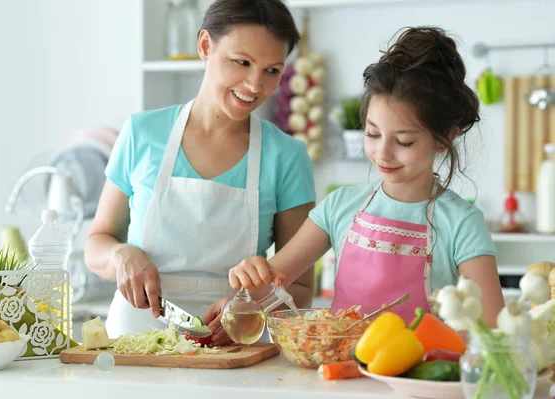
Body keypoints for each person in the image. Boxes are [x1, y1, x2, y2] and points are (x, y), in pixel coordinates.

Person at [228, 26, 505, 328]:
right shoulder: (339, 206)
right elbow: (269, 285)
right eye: (373, 134)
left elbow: (490, 332)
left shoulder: (463, 224)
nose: (382, 153)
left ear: (443, 139)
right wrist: (248, 283)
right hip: (335, 372)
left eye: (403, 142)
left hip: (416, 374)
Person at [84, 0, 316, 345]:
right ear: (206, 46)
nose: (254, 85)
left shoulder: (287, 156)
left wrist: (252, 308)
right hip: (135, 338)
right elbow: (96, 244)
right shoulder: (142, 133)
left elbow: (300, 287)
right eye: (242, 62)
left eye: (271, 70)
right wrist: (121, 256)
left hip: (235, 342)